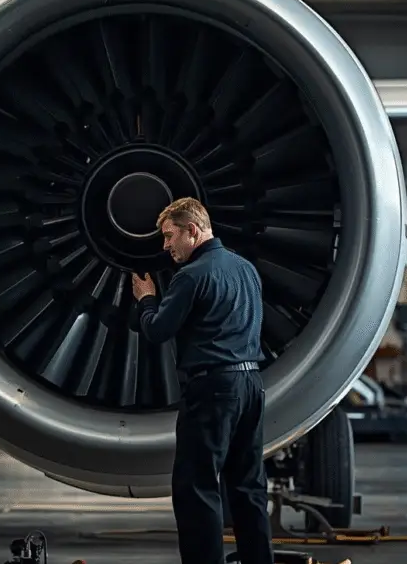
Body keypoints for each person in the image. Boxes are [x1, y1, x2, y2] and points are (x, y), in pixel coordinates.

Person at [131, 197, 273, 564]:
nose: (165, 246)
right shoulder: (246, 270)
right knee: (248, 486)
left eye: (169, 236)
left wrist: (147, 300)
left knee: (198, 488)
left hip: (213, 389)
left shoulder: (192, 276)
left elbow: (158, 330)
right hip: (251, 385)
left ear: (192, 231)